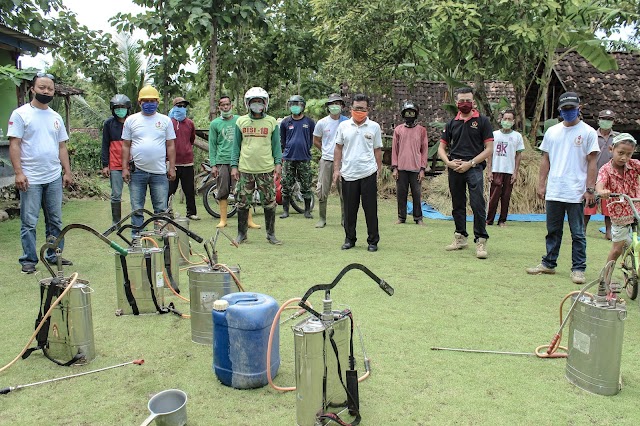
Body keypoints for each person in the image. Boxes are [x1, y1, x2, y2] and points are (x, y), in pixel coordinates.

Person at [526, 92, 599, 284]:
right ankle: (549, 263)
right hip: (555, 190)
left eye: (572, 109)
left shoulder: (589, 132)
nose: (569, 112)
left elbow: (593, 163)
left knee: (578, 233)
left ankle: (578, 268)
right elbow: (545, 160)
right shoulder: (552, 132)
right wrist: (541, 184)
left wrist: (589, 189)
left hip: (576, 192)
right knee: (553, 230)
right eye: (565, 109)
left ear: (579, 108)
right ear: (560, 110)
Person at [7, 73, 73, 274]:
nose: (46, 91)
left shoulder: (55, 117)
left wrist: (67, 171)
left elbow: (62, 147)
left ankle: (54, 255)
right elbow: (14, 144)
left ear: (54, 91)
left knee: (55, 220)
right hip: (30, 178)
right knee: (29, 221)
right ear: (32, 89)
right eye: (42, 87)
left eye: (50, 89)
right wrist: (18, 173)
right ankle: (28, 260)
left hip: (53, 175)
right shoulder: (20, 114)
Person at [437, 87, 493, 259]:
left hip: (474, 167)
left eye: (468, 100)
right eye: (461, 101)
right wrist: (448, 162)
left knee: (477, 203)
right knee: (457, 204)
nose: (465, 104)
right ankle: (460, 237)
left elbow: (489, 149)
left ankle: (481, 240)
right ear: (457, 103)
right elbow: (441, 147)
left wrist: (471, 163)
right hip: (454, 167)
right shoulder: (451, 123)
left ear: (473, 102)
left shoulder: (483, 121)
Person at [121, 85, 176, 236]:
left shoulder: (165, 121)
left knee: (160, 209)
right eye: (146, 101)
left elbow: (170, 145)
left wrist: (172, 167)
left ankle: (160, 238)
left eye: (153, 100)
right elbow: (126, 145)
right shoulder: (131, 120)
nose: (149, 103)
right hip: (137, 172)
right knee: (137, 209)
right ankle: (137, 239)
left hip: (159, 172)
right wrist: (124, 168)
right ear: (140, 102)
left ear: (158, 102)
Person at [231, 86, 283, 245]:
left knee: (269, 202)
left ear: (265, 103)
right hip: (245, 169)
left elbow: (276, 145)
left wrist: (278, 163)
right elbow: (236, 146)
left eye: (260, 102)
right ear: (248, 104)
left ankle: (271, 234)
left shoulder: (272, 122)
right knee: (242, 202)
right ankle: (241, 234)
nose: (257, 105)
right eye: (253, 102)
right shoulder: (241, 121)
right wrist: (234, 166)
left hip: (266, 169)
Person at [332, 93, 382, 252]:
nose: (359, 111)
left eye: (362, 108)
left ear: (368, 109)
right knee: (349, 210)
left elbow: (377, 150)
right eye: (356, 108)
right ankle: (349, 239)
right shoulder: (343, 126)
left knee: (370, 210)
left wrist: (378, 169)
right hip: (348, 174)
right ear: (351, 108)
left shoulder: (374, 126)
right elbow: (338, 148)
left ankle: (373, 241)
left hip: (368, 173)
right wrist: (336, 170)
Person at [595, 133, 640, 264]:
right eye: (620, 153)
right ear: (611, 149)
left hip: (636, 209)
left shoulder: (635, 164)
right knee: (616, 250)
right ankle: (605, 281)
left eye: (628, 154)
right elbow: (600, 185)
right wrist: (602, 191)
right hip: (619, 215)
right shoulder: (606, 170)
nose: (624, 158)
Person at [313, 93, 348, 228]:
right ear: (328, 107)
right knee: (322, 190)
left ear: (342, 106)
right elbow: (316, 140)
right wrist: (325, 150)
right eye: (332, 104)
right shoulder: (322, 123)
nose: (335, 106)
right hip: (326, 160)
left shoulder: (346, 122)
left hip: (344, 161)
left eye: (337, 104)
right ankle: (322, 218)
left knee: (344, 191)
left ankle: (345, 219)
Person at [391, 100, 429, 225]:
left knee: (417, 194)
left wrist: (422, 169)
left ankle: (418, 218)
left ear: (416, 114)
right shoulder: (398, 130)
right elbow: (394, 150)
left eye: (412, 113)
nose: (409, 115)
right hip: (401, 168)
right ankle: (401, 217)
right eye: (407, 113)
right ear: (403, 114)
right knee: (401, 194)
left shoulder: (422, 130)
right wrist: (395, 168)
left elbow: (424, 150)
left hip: (416, 169)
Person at [486, 109, 525, 227]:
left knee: (506, 197)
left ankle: (502, 220)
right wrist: (489, 170)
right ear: (501, 120)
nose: (507, 121)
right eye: (505, 119)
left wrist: (515, 172)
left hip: (509, 170)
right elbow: (489, 153)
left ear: (513, 121)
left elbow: (518, 155)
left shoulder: (517, 136)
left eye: (509, 119)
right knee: (493, 196)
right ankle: (489, 220)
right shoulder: (494, 135)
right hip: (496, 169)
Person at [584, 109, 619, 239]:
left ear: (613, 122)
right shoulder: (591, 135)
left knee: (609, 205)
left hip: (610, 176)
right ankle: (583, 229)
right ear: (598, 120)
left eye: (609, 120)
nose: (606, 122)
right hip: (592, 174)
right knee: (589, 202)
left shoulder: (617, 137)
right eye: (604, 119)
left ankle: (609, 231)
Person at [279, 95, 315, 219]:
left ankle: (307, 211)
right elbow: (282, 140)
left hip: (304, 158)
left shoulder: (309, 122)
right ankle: (285, 211)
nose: (295, 107)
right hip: (288, 158)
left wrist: (304, 147)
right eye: (292, 104)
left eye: (297, 104)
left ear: (303, 106)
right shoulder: (285, 122)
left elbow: (312, 139)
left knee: (306, 184)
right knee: (286, 185)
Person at [167, 96, 199, 220]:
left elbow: (192, 139)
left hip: (187, 162)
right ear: (174, 107)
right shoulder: (169, 122)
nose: (181, 108)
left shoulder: (190, 123)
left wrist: (186, 149)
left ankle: (191, 212)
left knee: (189, 189)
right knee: (170, 190)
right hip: (173, 163)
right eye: (179, 106)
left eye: (184, 106)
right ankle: (168, 212)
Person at [101, 94, 131, 226]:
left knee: (136, 194)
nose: (120, 110)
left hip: (132, 164)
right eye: (117, 107)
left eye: (122, 107)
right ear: (112, 109)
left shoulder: (133, 121)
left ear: (127, 108)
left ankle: (136, 220)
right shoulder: (109, 124)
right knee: (116, 194)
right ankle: (116, 222)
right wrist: (105, 165)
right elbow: (105, 144)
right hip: (115, 164)